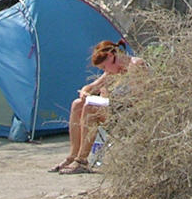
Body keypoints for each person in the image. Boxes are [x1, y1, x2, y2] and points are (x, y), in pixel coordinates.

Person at [54, 40, 143, 173]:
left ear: (111, 56)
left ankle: (82, 161)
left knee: (91, 108)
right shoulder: (112, 72)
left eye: (104, 67)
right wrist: (84, 92)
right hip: (114, 111)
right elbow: (90, 87)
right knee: (78, 104)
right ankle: (73, 156)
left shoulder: (135, 66)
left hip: (131, 116)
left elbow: (138, 98)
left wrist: (109, 97)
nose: (105, 71)